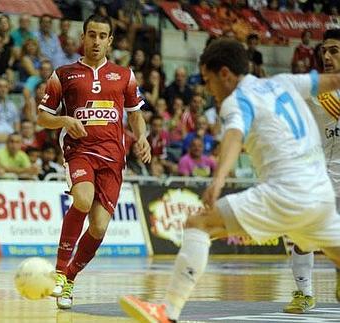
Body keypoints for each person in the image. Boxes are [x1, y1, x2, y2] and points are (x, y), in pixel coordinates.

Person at [119, 38, 340, 323]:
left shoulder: (237, 99)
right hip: (320, 199)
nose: (209, 90)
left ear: (225, 74)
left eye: (209, 81)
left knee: (199, 223)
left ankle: (167, 311)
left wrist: (218, 179)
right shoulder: (283, 82)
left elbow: (234, 136)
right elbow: (334, 80)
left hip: (285, 193)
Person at [37, 14, 150, 309]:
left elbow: (136, 114)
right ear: (83, 38)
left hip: (113, 159)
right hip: (80, 151)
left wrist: (142, 138)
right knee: (83, 200)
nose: (96, 41)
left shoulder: (125, 75)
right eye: (91, 35)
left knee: (99, 227)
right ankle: (60, 271)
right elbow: (41, 117)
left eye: (102, 36)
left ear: (110, 40)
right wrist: (64, 119)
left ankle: (70, 278)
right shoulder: (63, 74)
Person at [283, 28, 340, 314]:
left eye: (334, 51)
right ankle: (304, 293)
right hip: (325, 182)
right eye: (324, 51)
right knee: (304, 237)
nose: (327, 56)